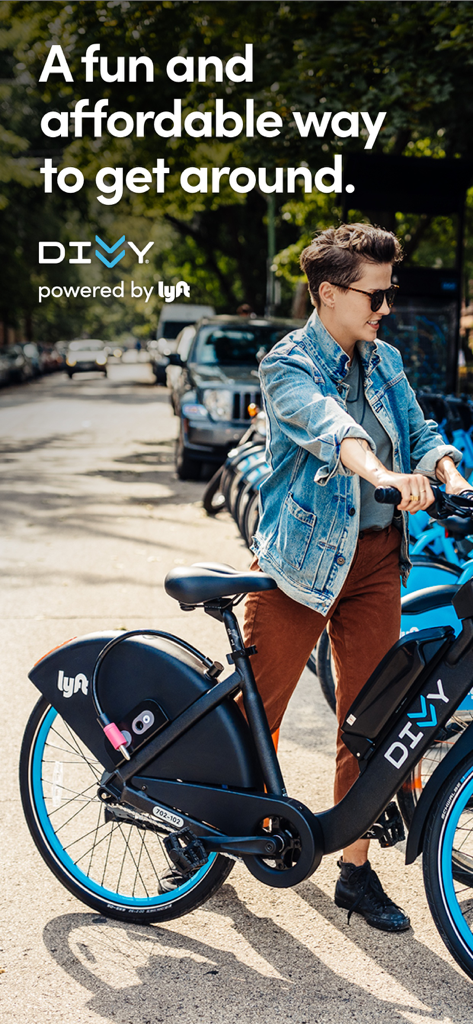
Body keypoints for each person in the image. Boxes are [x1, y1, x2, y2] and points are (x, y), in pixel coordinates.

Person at [242, 223, 472, 931]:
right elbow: (334, 431)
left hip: (374, 563)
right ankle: (208, 833)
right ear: (328, 294)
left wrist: (449, 477)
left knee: (372, 724)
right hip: (299, 569)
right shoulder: (286, 364)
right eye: (373, 295)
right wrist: (381, 473)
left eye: (388, 292)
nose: (384, 307)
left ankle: (354, 869)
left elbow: (421, 431)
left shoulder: (385, 359)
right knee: (257, 716)